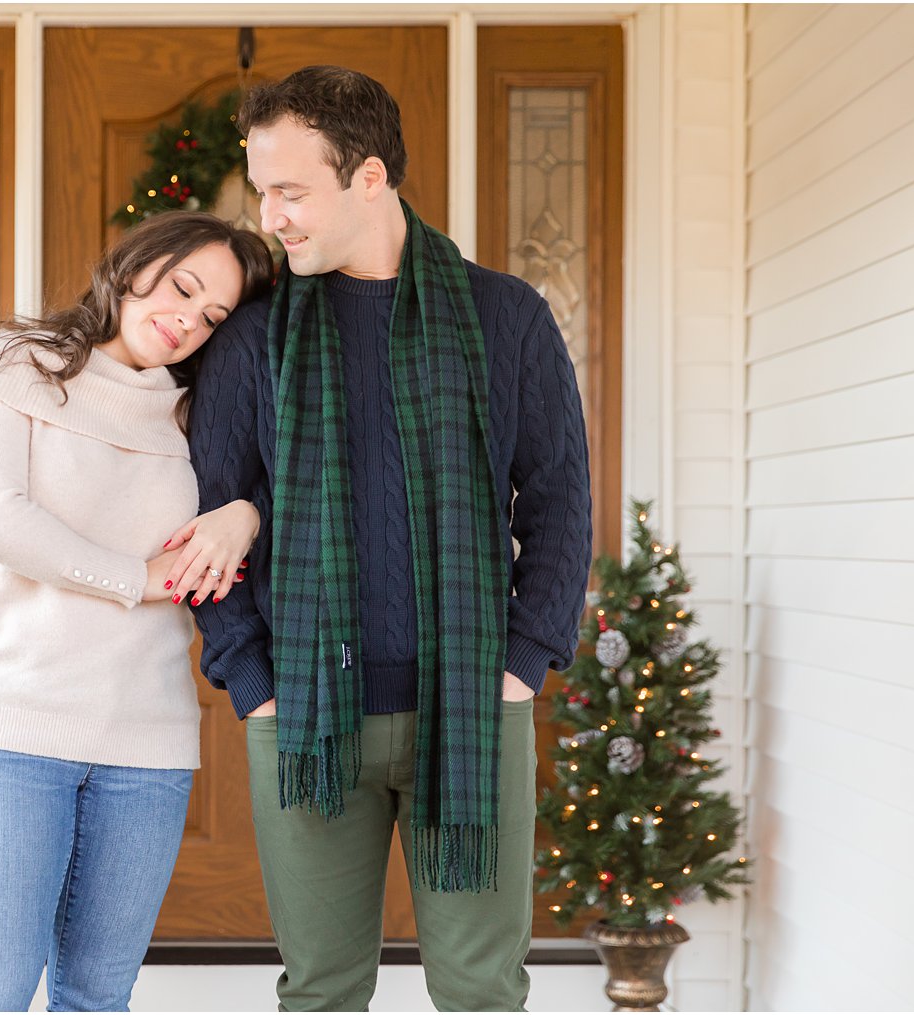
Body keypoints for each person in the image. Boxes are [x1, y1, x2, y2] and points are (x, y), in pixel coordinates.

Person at [188, 67, 593, 1011]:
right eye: (261, 192)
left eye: (291, 192)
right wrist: (255, 688)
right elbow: (214, 518)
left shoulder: (506, 319)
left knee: (480, 989)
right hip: (304, 717)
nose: (271, 216)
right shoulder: (250, 341)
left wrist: (522, 666)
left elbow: (560, 504)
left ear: (369, 177)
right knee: (320, 990)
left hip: (472, 704)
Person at [0, 210, 274, 1012]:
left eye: (213, 315)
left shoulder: (192, 413)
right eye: (185, 287)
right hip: (7, 728)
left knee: (97, 1000)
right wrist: (139, 575)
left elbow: (265, 497)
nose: (189, 319)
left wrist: (245, 515)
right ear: (136, 264)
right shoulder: (15, 362)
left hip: (146, 746)